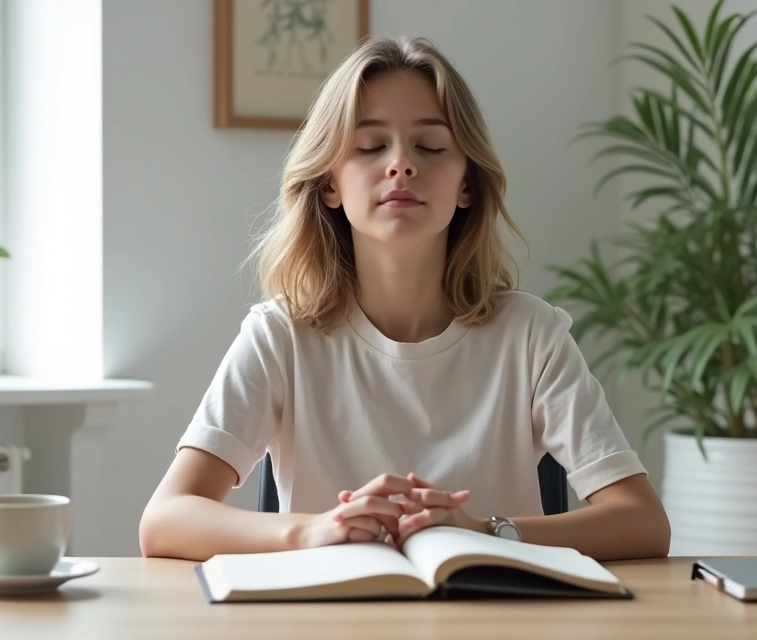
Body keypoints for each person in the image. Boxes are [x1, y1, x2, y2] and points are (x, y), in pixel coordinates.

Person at [138, 35, 670, 563]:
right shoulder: (280, 336)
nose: (402, 165)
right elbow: (165, 521)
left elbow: (643, 522)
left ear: (466, 185)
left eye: (431, 146)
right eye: (370, 147)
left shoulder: (533, 335)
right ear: (330, 185)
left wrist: (486, 532)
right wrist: (312, 532)